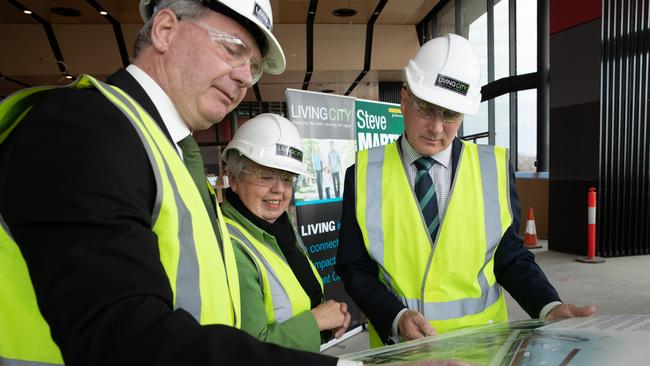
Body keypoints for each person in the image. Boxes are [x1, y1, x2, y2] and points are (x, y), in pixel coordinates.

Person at [0, 1, 360, 365]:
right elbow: (123, 334)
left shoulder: (170, 156)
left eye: (253, 67)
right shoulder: (84, 129)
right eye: (233, 49)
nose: (244, 78)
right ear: (165, 30)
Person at [335, 34, 596, 348]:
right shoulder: (364, 174)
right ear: (405, 99)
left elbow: (509, 257)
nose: (436, 128)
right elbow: (354, 267)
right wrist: (395, 316)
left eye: (450, 115)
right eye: (427, 109)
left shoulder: (493, 169)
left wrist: (549, 306)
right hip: (403, 350)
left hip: (482, 346)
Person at [221, 113, 350, 352]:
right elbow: (247, 350)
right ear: (234, 178)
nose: (279, 189)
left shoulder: (280, 229)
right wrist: (316, 321)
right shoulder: (231, 244)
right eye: (266, 175)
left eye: (287, 178)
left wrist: (328, 319)